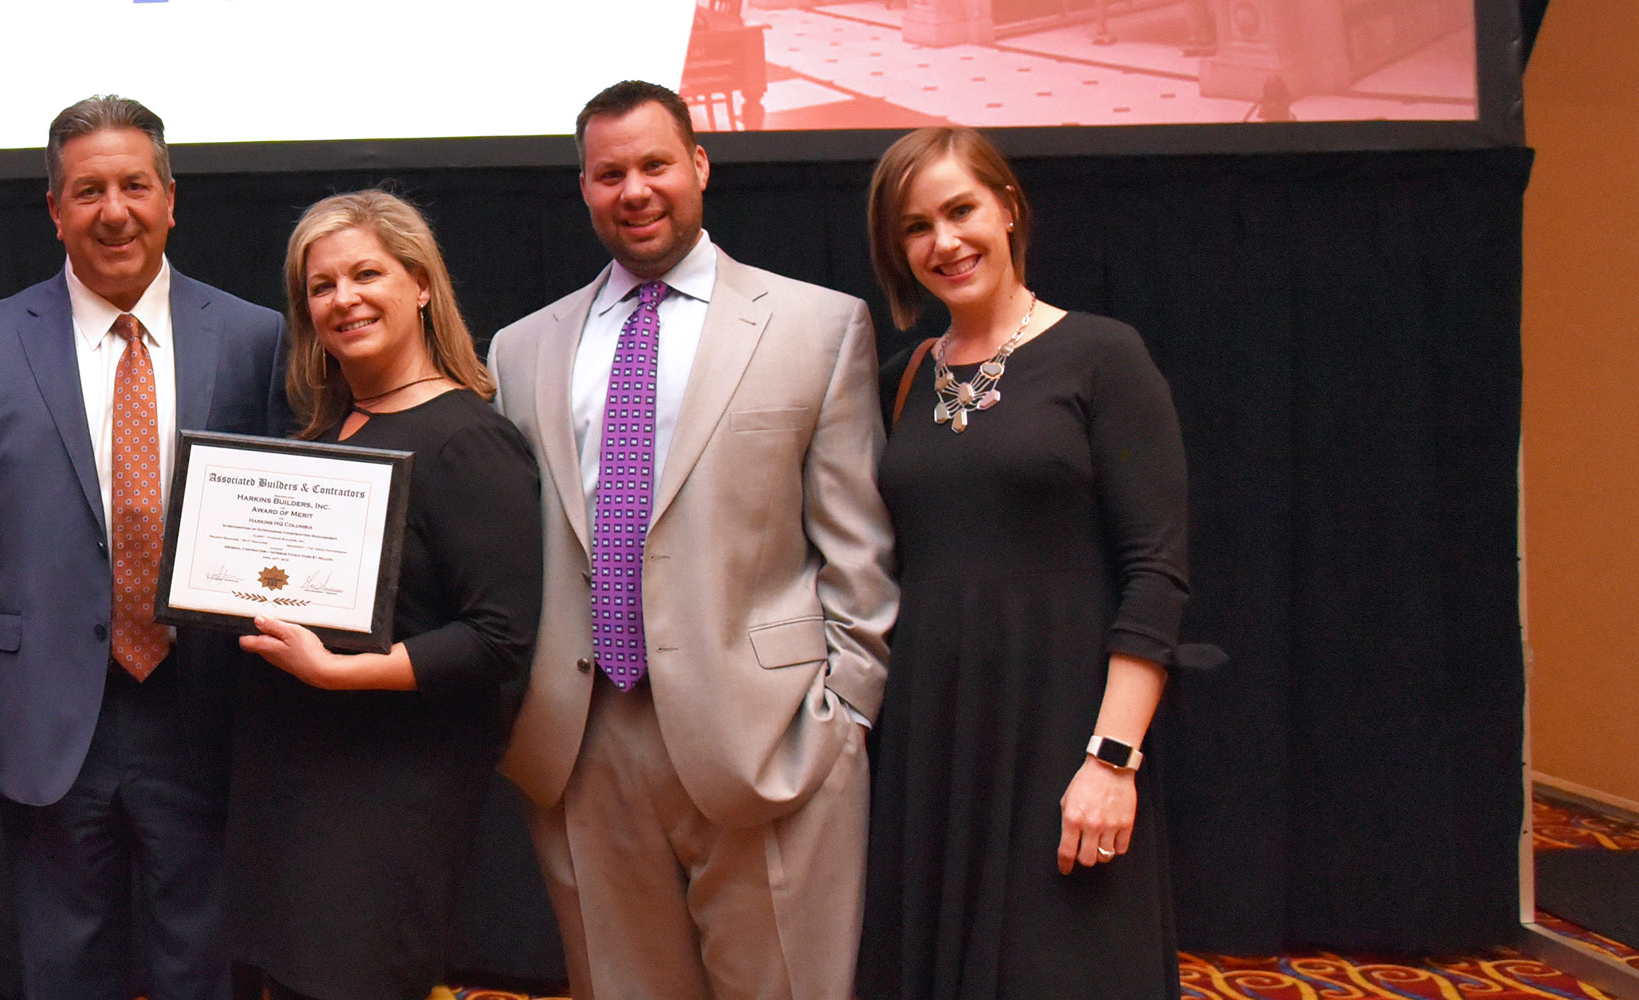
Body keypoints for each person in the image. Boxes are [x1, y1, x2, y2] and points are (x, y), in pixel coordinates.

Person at [485, 80, 896, 1000]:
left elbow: (856, 544)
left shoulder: (818, 326)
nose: (635, 189)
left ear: (700, 166)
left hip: (773, 734)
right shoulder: (521, 349)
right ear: (584, 188)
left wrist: (846, 713)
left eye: (656, 165)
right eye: (609, 173)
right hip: (583, 743)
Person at [0, 95, 287, 1000]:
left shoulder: (253, 338)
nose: (113, 210)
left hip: (206, 706)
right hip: (43, 712)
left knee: (203, 960)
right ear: (54, 209)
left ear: (170, 198)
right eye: (88, 190)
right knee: (65, 963)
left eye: (134, 186)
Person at [855, 125, 1188, 1000]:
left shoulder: (1103, 355)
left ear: (1007, 207)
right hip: (931, 739)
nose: (945, 242)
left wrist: (1111, 761)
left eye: (960, 209)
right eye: (917, 227)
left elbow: (1156, 570)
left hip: (1062, 732)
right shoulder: (900, 379)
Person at [224, 191, 542, 1000]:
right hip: (299, 790)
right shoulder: (325, 435)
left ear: (422, 284)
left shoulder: (469, 439)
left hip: (387, 802)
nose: (344, 300)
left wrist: (338, 673)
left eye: (367, 273)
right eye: (321, 286)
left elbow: (499, 638)